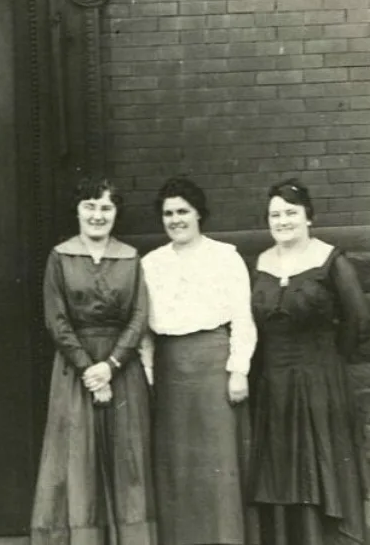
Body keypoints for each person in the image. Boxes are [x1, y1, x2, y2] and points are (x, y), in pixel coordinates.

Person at [31, 178, 155, 545]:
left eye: (106, 208)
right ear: (78, 210)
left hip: (121, 370)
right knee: (76, 459)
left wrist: (112, 365)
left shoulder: (130, 258)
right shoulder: (60, 257)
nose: (97, 215)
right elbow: (56, 319)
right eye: (90, 206)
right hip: (76, 370)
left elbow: (139, 315)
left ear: (116, 213)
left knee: (126, 457)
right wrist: (89, 368)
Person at [249, 179, 369, 545]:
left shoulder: (331, 260)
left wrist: (329, 362)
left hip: (320, 383)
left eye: (290, 213)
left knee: (319, 467)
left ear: (308, 217)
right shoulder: (260, 262)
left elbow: (359, 320)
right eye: (275, 214)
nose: (282, 221)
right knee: (281, 472)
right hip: (274, 386)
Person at [141, 177, 258, 545]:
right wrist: (148, 375)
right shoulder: (151, 263)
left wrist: (238, 369)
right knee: (177, 468)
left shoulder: (225, 256)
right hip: (170, 370)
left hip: (213, 367)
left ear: (198, 215)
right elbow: (144, 330)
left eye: (183, 211)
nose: (175, 220)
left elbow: (243, 317)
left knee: (217, 465)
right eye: (168, 213)